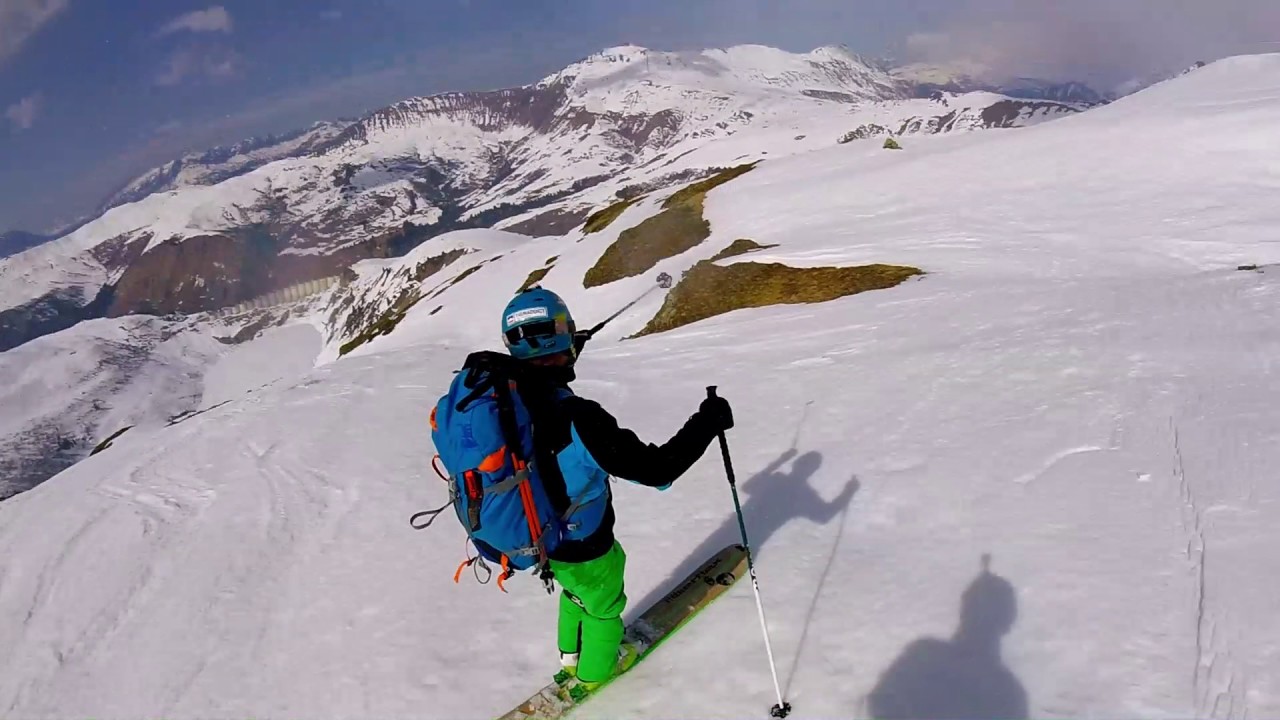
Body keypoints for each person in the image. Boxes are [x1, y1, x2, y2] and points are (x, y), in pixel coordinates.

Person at [499, 287, 734, 693]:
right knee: (605, 607)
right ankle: (594, 675)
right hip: (586, 542)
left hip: (535, 532)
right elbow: (657, 470)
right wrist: (707, 422)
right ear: (562, 335)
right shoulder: (579, 418)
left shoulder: (507, 394)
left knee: (575, 593)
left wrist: (564, 353)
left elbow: (542, 378)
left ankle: (569, 660)